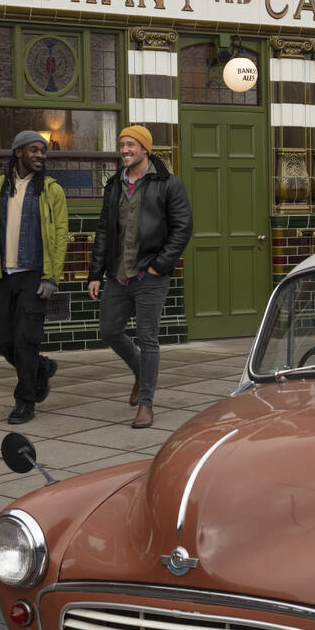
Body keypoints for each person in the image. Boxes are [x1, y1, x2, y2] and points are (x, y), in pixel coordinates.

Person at [88, 125, 193, 428]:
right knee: (109, 331)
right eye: (121, 145)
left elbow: (183, 228)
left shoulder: (169, 184)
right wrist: (96, 273)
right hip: (118, 276)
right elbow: (104, 231)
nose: (124, 150)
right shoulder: (114, 186)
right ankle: (139, 370)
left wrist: (159, 265)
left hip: (150, 275)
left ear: (145, 149)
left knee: (148, 339)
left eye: (131, 145)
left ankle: (146, 403)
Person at [0, 130, 68, 424]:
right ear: (18, 153)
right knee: (1, 339)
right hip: (3, 274)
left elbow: (61, 236)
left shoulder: (52, 190)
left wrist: (52, 278)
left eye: (43, 151)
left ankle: (25, 401)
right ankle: (40, 367)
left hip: (35, 275)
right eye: (35, 150)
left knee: (25, 339)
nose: (41, 155)